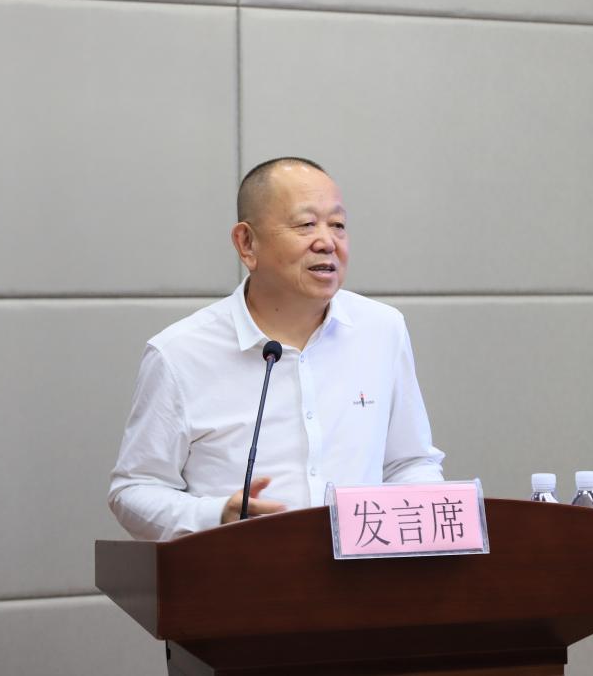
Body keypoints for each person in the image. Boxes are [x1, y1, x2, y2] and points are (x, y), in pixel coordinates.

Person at [108, 157, 444, 541]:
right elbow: (134, 490)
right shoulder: (180, 353)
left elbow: (409, 462)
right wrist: (215, 515)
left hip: (363, 574)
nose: (327, 242)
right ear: (246, 243)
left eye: (337, 225)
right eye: (306, 224)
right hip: (240, 572)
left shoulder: (381, 330)